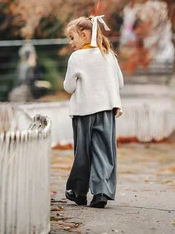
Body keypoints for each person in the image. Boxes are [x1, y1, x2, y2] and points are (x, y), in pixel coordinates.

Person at [63, 15, 124, 208]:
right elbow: (120, 83)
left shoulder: (76, 57)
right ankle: (101, 192)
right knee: (104, 151)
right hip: (106, 109)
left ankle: (79, 192)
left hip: (83, 111)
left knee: (83, 151)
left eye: (72, 38)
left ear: (84, 34)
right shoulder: (109, 55)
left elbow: (69, 87)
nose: (71, 43)